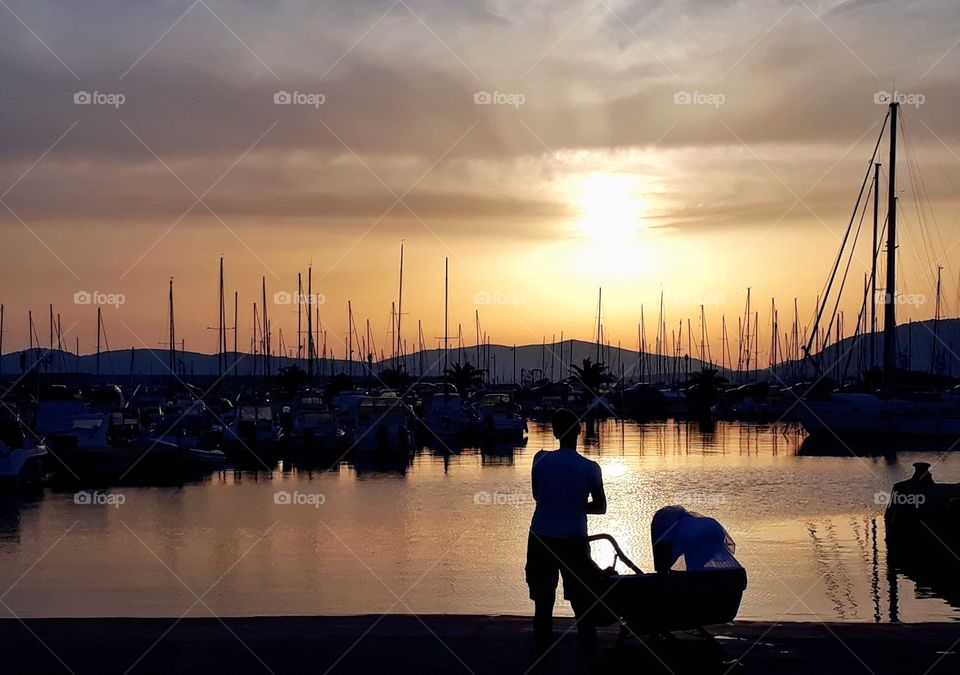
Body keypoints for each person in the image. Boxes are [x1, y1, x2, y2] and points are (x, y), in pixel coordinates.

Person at [525, 408, 607, 654]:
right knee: (583, 603)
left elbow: (537, 495)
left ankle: (541, 655)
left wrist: (559, 502)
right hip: (575, 540)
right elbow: (600, 507)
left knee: (543, 602)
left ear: (556, 433)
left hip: (542, 537)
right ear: (579, 433)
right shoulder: (591, 468)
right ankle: (590, 655)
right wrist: (576, 505)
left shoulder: (540, 460)